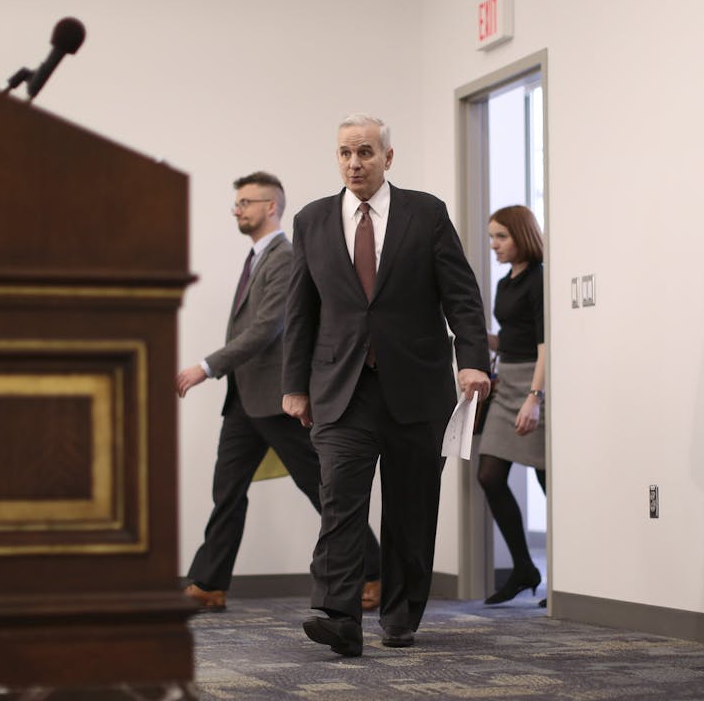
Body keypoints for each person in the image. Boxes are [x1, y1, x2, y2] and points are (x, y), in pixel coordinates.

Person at [283, 114, 490, 657]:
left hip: (417, 388)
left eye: (366, 152)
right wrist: (294, 385)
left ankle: (399, 616)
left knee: (411, 510)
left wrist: (472, 360)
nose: (355, 162)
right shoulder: (312, 221)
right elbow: (300, 309)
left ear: (388, 158)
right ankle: (337, 614)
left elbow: (462, 296)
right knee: (340, 503)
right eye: (346, 153)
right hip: (341, 388)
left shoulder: (426, 213)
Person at [177, 171, 381, 613]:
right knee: (227, 491)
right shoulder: (256, 257)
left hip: (277, 398)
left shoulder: (284, 256)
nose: (237, 209)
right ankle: (210, 584)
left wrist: (206, 367)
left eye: (246, 202)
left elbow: (268, 327)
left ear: (271, 207)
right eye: (237, 203)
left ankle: (374, 572)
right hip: (244, 401)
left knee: (321, 488)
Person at [477, 205, 547, 606]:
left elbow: (545, 344)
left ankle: (568, 575)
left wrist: (535, 399)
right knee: (489, 475)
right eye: (491, 237)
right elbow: (511, 339)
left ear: (522, 235)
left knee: (546, 482)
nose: (494, 245)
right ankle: (524, 568)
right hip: (508, 387)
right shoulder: (506, 284)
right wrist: (476, 336)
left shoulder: (539, 280)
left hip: (535, 385)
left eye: (501, 237)